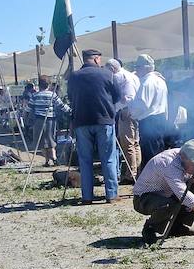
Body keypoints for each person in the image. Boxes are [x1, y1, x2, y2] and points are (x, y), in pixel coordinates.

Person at [132, 139, 194, 245]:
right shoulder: (168, 163)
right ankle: (150, 229)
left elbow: (181, 178)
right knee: (169, 204)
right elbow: (185, 197)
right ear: (184, 157)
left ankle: (176, 227)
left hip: (167, 193)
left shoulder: (183, 156)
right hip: (143, 199)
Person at [68, 48, 121, 204]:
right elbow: (117, 96)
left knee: (85, 161)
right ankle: (111, 195)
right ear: (97, 59)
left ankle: (87, 196)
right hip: (104, 120)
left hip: (81, 122)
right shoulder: (107, 74)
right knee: (108, 158)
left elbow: (70, 97)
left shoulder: (74, 76)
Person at [105, 59, 142, 183]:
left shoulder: (120, 77)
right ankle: (136, 171)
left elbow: (127, 98)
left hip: (126, 111)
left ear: (112, 68)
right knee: (134, 144)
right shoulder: (131, 76)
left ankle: (131, 174)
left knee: (128, 144)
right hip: (132, 111)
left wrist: (115, 107)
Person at [130, 54, 170, 169]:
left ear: (146, 68)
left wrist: (132, 113)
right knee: (159, 152)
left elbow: (142, 104)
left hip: (150, 121)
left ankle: (153, 180)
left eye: (138, 67)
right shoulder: (160, 81)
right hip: (160, 119)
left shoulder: (147, 82)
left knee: (150, 155)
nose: (136, 70)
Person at [29, 75, 71, 167]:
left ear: (39, 85)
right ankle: (54, 158)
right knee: (50, 139)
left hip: (39, 120)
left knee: (41, 141)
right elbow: (61, 106)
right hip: (50, 120)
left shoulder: (35, 96)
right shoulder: (52, 95)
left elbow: (29, 109)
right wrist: (70, 111)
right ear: (48, 85)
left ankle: (47, 160)